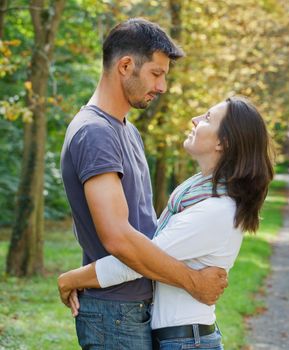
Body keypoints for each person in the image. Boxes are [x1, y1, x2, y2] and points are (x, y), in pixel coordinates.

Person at [59, 18, 228, 350]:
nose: (162, 86)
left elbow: (147, 227)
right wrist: (193, 281)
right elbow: (118, 237)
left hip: (134, 306)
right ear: (125, 66)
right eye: (156, 73)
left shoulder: (126, 131)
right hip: (114, 313)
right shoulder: (95, 133)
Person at [58, 96, 274, 350]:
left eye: (206, 118)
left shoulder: (216, 210)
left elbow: (138, 260)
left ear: (222, 142)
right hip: (182, 338)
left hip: (186, 341)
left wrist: (72, 279)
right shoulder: (196, 194)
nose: (194, 119)